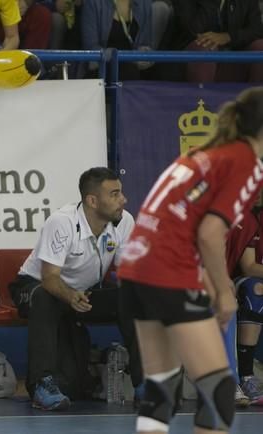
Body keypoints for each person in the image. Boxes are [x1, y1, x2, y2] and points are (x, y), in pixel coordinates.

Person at [117, 87, 263, 434]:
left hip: (135, 270)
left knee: (161, 389)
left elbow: (179, 221)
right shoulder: (246, 161)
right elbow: (210, 233)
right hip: (167, 273)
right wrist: (224, 293)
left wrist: (207, 278)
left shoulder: (202, 154)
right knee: (219, 392)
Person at [9, 167, 142, 410]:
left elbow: (127, 274)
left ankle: (145, 383)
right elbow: (49, 278)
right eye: (114, 194)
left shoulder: (125, 221)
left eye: (120, 193)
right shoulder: (62, 222)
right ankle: (42, 385)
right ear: (92, 201)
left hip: (82, 293)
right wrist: (70, 296)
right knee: (44, 297)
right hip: (35, 287)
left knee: (132, 297)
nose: (123, 199)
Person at [225, 194, 263, 406]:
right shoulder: (241, 216)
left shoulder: (251, 219)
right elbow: (249, 266)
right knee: (256, 289)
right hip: (229, 280)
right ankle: (245, 376)